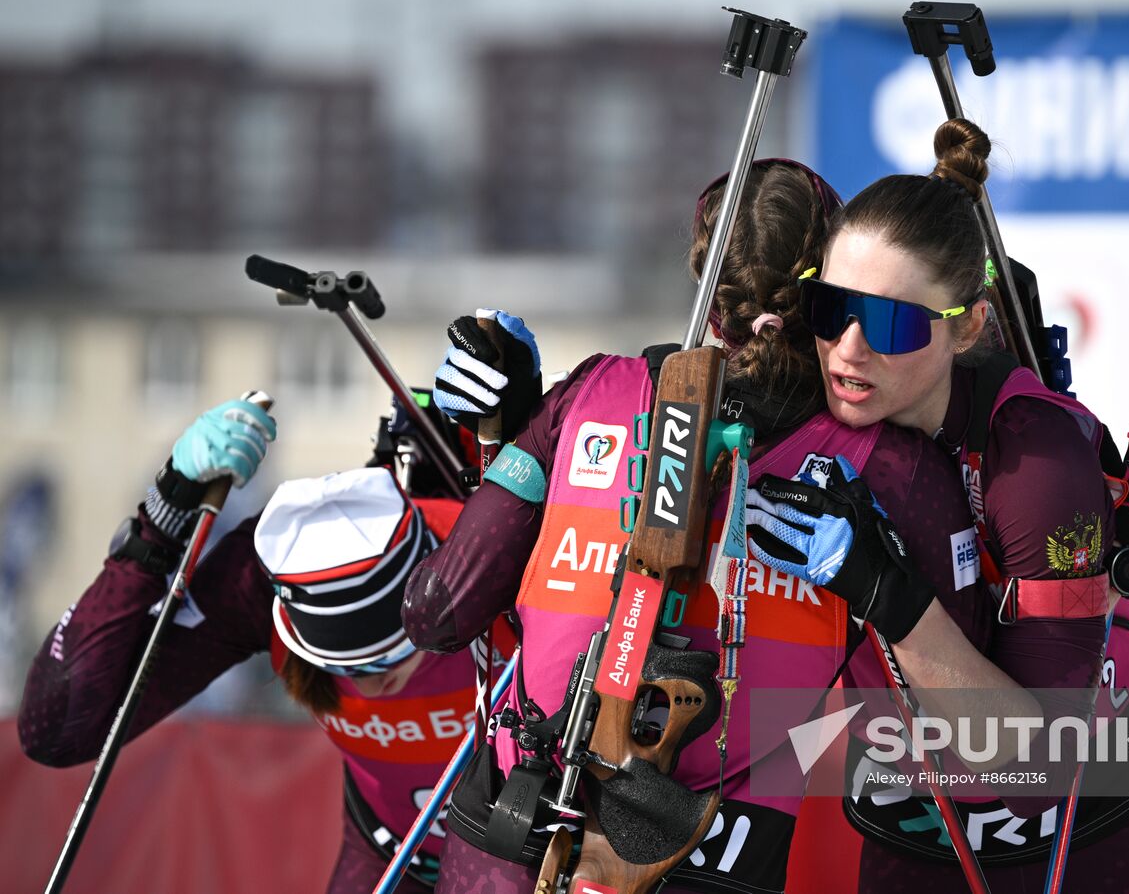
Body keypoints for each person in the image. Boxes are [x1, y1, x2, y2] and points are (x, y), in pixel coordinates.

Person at [401, 158, 983, 894]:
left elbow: (436, 612)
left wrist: (510, 436)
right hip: (720, 850)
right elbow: (972, 733)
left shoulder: (592, 392)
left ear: (705, 281)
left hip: (516, 823)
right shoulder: (892, 463)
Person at [750, 118, 1129, 892]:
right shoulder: (837, 387)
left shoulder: (1037, 459)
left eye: (896, 322)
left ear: (966, 326)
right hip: (921, 825)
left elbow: (1035, 754)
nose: (849, 350)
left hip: (1095, 836)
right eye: (831, 310)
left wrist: (886, 596)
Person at [17, 358, 536, 892]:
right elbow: (56, 731)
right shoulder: (263, 580)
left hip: (533, 858)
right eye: (337, 664)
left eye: (389, 653)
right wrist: (163, 516)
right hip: (396, 858)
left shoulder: (489, 555)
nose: (371, 682)